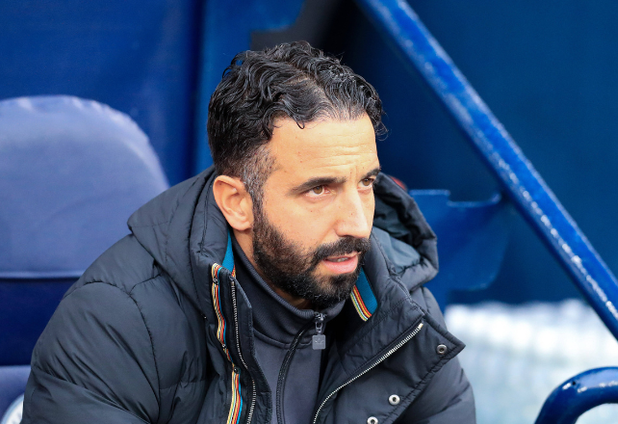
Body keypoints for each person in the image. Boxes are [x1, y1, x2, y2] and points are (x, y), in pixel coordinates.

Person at [21, 41, 475, 424]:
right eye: (319, 189)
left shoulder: (400, 304)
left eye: (366, 183)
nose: (358, 224)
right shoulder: (116, 322)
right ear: (237, 202)